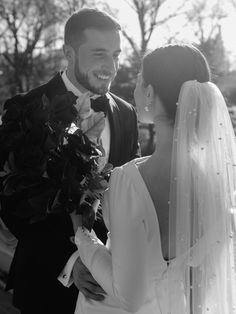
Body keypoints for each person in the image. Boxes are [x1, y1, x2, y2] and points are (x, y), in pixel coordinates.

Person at [62, 44, 236, 314]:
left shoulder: (128, 181)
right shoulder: (218, 187)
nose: (134, 88)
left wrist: (83, 237)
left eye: (140, 80)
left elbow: (129, 297)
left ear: (151, 93)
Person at [0, 8, 139, 314]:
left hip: (111, 287)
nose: (112, 67)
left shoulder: (127, 113)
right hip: (47, 281)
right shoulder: (26, 108)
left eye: (116, 55)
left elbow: (132, 192)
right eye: (99, 54)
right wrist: (72, 260)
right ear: (68, 53)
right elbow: (12, 199)